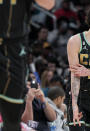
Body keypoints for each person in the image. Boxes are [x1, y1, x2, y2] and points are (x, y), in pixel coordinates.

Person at [0, 0, 55, 131]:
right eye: (31, 82)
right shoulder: (27, 95)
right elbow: (27, 122)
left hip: (14, 46)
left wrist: (42, 100)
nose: (32, 85)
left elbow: (52, 118)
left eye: (33, 82)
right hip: (30, 124)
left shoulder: (37, 97)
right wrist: (29, 100)